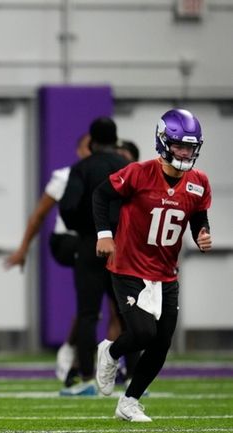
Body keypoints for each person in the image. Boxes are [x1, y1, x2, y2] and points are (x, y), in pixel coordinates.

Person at [93, 108, 212, 422]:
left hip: (165, 271)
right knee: (143, 333)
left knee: (162, 343)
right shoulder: (138, 173)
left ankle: (129, 401)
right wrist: (104, 234)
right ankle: (111, 351)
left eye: (191, 147)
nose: (186, 153)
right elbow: (101, 196)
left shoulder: (198, 182)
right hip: (129, 266)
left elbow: (198, 213)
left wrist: (203, 232)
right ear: (163, 142)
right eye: (180, 146)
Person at [4, 133, 91, 383]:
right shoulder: (64, 176)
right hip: (69, 240)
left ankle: (112, 361)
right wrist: (23, 249)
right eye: (87, 147)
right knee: (90, 301)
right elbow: (39, 215)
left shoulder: (108, 172)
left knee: (107, 303)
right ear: (78, 150)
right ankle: (73, 354)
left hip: (100, 242)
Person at [57, 116, 130, 396]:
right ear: (115, 139)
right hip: (123, 247)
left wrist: (86, 230)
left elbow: (68, 208)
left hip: (90, 244)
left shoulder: (82, 168)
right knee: (126, 313)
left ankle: (87, 378)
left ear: (91, 140)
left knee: (88, 314)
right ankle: (134, 376)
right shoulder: (129, 168)